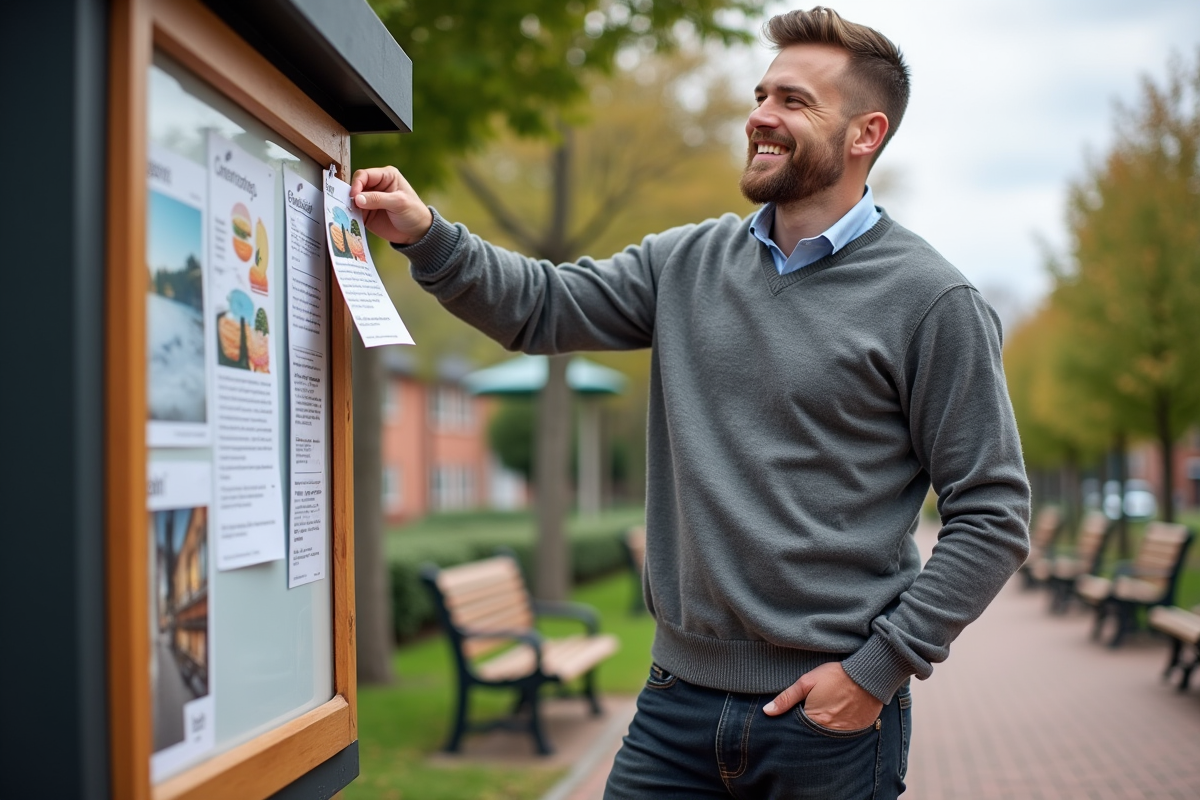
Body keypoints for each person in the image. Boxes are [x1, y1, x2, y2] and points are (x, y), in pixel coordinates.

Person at [352, 6, 1030, 798]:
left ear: (865, 134)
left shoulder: (932, 300)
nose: (761, 117)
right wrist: (426, 234)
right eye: (762, 93)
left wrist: (878, 670)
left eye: (794, 101)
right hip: (674, 707)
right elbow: (542, 305)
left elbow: (992, 512)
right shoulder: (688, 262)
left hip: (830, 723)